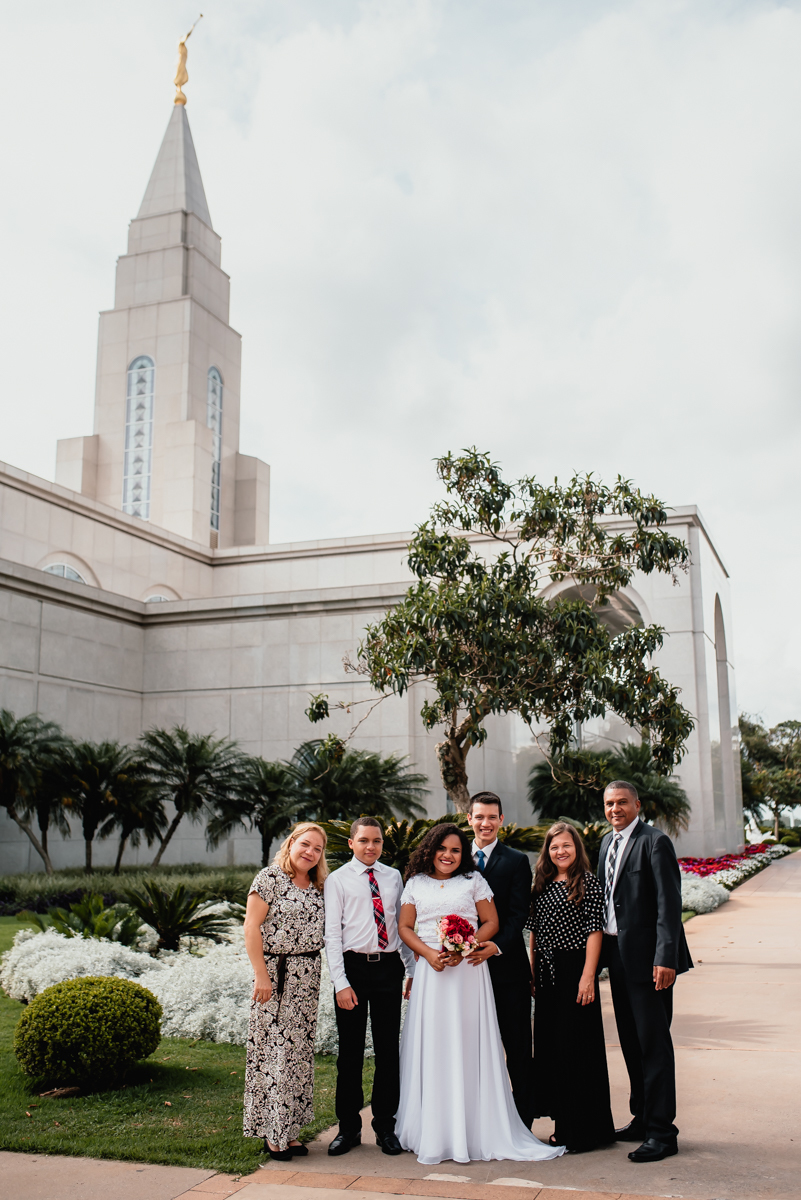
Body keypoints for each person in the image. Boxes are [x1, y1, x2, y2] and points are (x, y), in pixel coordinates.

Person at [395, 822, 565, 1166]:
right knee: (435, 1044)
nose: (448, 855)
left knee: (469, 1043)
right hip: (431, 974)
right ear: (430, 850)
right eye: (442, 849)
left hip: (468, 973)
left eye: (456, 850)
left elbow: (492, 923)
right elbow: (404, 927)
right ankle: (435, 1128)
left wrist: (465, 946)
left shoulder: (473, 881)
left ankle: (475, 1126)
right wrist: (428, 954)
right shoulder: (415, 883)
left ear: (464, 854)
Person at [598, 780, 693, 1163]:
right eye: (609, 803)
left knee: (653, 1047)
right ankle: (641, 1118)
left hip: (651, 963)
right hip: (617, 959)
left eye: (622, 802)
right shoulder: (607, 843)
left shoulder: (655, 842)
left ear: (637, 805)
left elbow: (669, 905)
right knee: (631, 1043)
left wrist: (665, 958)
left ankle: (662, 1133)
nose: (615, 809)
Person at [324, 816, 415, 1157]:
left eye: (376, 841)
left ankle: (385, 1126)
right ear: (351, 843)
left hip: (388, 968)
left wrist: (411, 970)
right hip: (354, 969)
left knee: (388, 1051)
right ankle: (348, 1129)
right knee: (349, 1055)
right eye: (363, 840)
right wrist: (340, 983)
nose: (370, 846)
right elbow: (332, 934)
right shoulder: (337, 880)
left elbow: (402, 927)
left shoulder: (393, 877)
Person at [526, 821, 615, 1153]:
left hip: (575, 972)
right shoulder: (541, 884)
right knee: (553, 1050)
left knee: (578, 1049)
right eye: (554, 847)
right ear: (547, 852)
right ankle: (563, 1124)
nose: (560, 851)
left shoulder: (588, 882)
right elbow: (534, 932)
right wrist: (532, 971)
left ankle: (585, 1131)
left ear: (577, 848)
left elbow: (595, 931)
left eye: (566, 845)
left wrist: (588, 975)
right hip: (546, 975)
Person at [242, 822, 328, 1160]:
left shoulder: (318, 885)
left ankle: (290, 1131)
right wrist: (261, 976)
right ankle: (272, 1134)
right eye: (305, 844)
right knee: (274, 1054)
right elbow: (251, 927)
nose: (310, 852)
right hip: (275, 976)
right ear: (291, 843)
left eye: (317, 848)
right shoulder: (269, 878)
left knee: (298, 1056)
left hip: (307, 978)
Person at [466, 790, 534, 1124]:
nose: (486, 823)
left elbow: (519, 914)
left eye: (492, 817)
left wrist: (496, 945)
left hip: (508, 969)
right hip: (464, 970)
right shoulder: (454, 858)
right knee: (472, 1048)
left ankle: (523, 1120)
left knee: (517, 1045)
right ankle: (479, 1120)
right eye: (479, 816)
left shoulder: (516, 861)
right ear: (469, 819)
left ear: (501, 820)